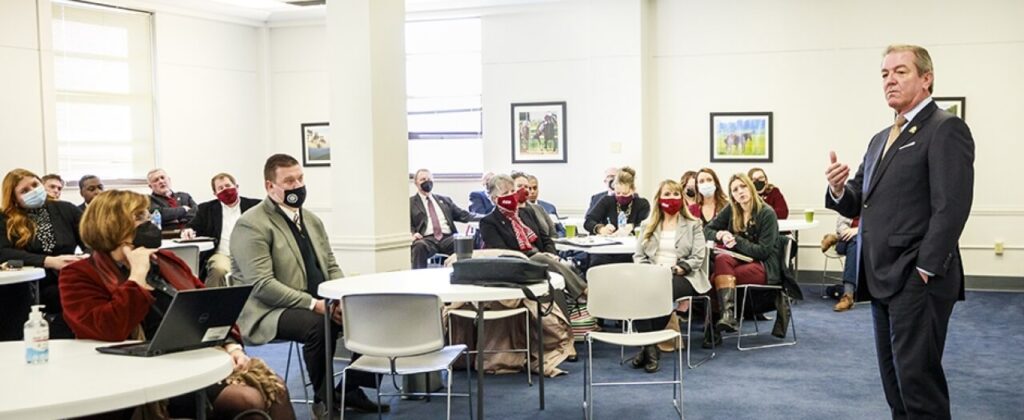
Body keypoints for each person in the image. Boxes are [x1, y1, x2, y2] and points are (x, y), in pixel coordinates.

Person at [825, 44, 974, 420]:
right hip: (880, 276)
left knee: (918, 384)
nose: (890, 80)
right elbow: (859, 200)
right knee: (895, 385)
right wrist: (840, 189)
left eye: (901, 71)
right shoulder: (879, 139)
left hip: (917, 276)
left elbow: (951, 206)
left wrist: (925, 268)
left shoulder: (946, 128)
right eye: (885, 73)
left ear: (927, 78)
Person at [58, 190, 295, 420]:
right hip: (138, 373)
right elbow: (108, 328)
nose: (149, 221)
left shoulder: (166, 261)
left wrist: (232, 347)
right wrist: (137, 277)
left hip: (192, 358)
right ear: (113, 224)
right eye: (139, 216)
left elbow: (209, 307)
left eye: (147, 214)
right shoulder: (79, 275)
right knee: (245, 400)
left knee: (274, 388)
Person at [230, 154, 384, 417]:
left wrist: (342, 298)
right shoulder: (251, 224)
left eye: (300, 178)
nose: (297, 185)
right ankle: (323, 400)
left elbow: (331, 264)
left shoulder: (312, 219)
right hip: (268, 310)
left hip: (317, 302)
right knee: (319, 326)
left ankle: (351, 388)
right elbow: (262, 284)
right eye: (288, 181)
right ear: (270, 186)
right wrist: (315, 305)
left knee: (366, 312)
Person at [632, 179, 709, 373]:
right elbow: (639, 256)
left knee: (662, 290)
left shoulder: (694, 224)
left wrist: (680, 268)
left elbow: (698, 257)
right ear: (659, 199)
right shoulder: (647, 224)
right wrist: (648, 271)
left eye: (676, 194)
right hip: (652, 274)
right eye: (667, 194)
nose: (672, 198)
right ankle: (651, 348)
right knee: (640, 294)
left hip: (684, 276)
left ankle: (647, 347)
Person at [0, 169, 86, 340]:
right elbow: (3, 252)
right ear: (14, 197)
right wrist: (48, 261)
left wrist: (84, 258)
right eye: (24, 191)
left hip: (69, 275)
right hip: (29, 283)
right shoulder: (6, 218)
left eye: (35, 185)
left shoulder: (65, 209)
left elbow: (92, 239)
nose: (33, 191)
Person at [704, 174, 786, 336]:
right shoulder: (732, 209)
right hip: (740, 260)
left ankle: (713, 330)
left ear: (751, 187)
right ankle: (727, 317)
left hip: (765, 266)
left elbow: (763, 252)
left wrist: (737, 240)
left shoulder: (766, 213)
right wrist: (721, 234)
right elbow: (707, 230)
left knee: (714, 280)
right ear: (732, 196)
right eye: (735, 189)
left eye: (743, 186)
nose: (740, 192)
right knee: (721, 258)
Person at [181, 173, 260, 287]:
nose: (226, 190)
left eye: (228, 186)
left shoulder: (255, 206)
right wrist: (187, 231)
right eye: (220, 188)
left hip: (252, 255)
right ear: (215, 194)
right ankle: (212, 303)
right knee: (218, 269)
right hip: (222, 254)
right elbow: (191, 226)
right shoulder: (206, 209)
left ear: (237, 187)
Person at [409, 168, 480, 269]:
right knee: (418, 247)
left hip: (448, 238)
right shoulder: (411, 203)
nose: (427, 181)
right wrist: (412, 233)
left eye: (429, 179)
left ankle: (466, 275)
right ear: (416, 183)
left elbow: (463, 215)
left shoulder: (444, 200)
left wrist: (485, 217)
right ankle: (418, 279)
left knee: (468, 241)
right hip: (427, 239)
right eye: (423, 179)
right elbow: (406, 223)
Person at [584, 167, 651, 236]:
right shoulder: (607, 201)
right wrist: (601, 229)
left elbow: (646, 224)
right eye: (618, 193)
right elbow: (588, 221)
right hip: (609, 244)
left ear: (633, 190)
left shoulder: (642, 204)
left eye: (625, 193)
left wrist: (632, 226)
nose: (621, 196)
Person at [147, 168, 198, 236]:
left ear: (169, 180)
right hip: (167, 236)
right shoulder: (148, 200)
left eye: (163, 177)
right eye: (156, 180)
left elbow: (196, 213)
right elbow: (160, 214)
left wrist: (172, 217)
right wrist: (184, 209)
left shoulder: (184, 196)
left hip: (190, 233)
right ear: (150, 186)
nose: (161, 181)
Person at [827, 215, 860, 312]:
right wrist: (847, 232)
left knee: (856, 242)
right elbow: (840, 224)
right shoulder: (851, 202)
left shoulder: (876, 203)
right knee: (855, 242)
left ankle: (847, 295)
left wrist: (858, 230)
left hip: (866, 240)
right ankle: (848, 295)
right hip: (845, 240)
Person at [512, 172, 558, 238]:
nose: (523, 189)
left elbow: (553, 234)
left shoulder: (539, 209)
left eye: (526, 187)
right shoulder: (508, 212)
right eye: (519, 186)